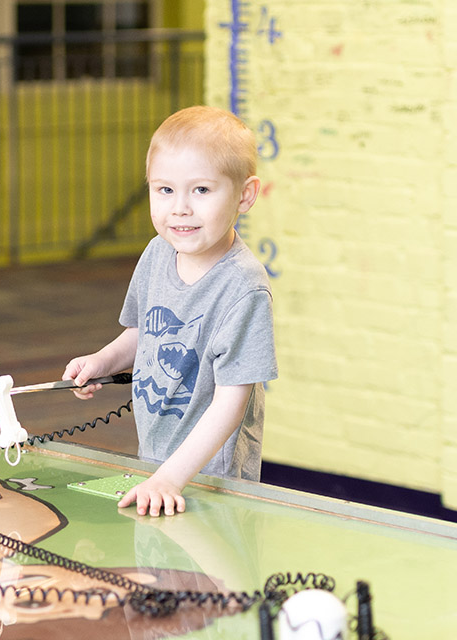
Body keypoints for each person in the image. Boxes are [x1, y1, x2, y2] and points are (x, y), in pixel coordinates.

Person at [63, 106, 277, 517]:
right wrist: (100, 361)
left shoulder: (243, 288)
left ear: (245, 195)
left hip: (213, 481)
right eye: (164, 190)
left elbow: (231, 402)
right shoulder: (158, 253)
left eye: (200, 190)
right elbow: (144, 333)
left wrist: (171, 477)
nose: (180, 208)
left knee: (207, 581)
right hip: (156, 468)